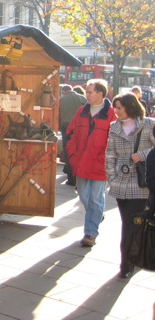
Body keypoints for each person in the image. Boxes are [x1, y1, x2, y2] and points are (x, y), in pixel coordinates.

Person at [105, 92, 155, 278]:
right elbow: (110, 154)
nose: (115, 111)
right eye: (115, 108)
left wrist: (141, 155)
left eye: (119, 108)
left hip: (141, 183)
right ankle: (134, 257)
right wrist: (113, 178)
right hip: (121, 183)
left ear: (130, 107)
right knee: (131, 223)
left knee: (129, 224)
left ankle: (126, 264)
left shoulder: (148, 124)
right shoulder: (114, 127)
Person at [65, 78, 116, 247]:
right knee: (84, 196)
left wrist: (106, 157)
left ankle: (90, 233)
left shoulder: (111, 114)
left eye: (89, 92)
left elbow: (116, 140)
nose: (86, 94)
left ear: (100, 94)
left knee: (95, 198)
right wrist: (72, 156)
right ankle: (96, 215)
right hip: (80, 163)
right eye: (86, 91)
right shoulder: (81, 111)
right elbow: (70, 134)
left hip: (100, 164)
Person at [59, 84, 86, 186]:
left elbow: (58, 116)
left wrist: (60, 127)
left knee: (68, 153)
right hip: (80, 129)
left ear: (64, 91)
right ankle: (80, 177)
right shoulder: (82, 98)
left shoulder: (61, 100)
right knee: (80, 152)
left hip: (66, 129)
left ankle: (71, 179)